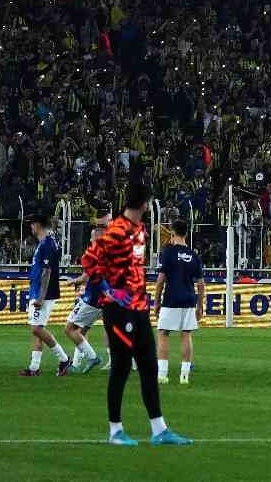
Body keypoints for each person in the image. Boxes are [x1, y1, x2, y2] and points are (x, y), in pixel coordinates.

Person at [81, 183, 191, 446]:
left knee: (149, 368)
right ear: (144, 204)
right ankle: (115, 431)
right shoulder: (116, 230)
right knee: (120, 368)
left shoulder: (139, 230)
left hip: (139, 309)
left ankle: (159, 429)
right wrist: (110, 291)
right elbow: (89, 260)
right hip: (119, 311)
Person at [155, 220, 205, 386]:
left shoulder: (168, 253)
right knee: (186, 334)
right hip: (189, 298)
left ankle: (162, 374)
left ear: (172, 233)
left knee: (163, 333)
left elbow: (161, 281)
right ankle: (184, 375)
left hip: (171, 298)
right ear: (186, 233)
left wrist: (156, 302)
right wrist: (200, 305)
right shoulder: (194, 255)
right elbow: (200, 283)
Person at [23, 211, 72, 377]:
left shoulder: (46, 244)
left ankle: (64, 359)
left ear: (37, 225)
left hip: (43, 292)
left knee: (36, 328)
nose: (31, 227)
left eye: (32, 223)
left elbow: (46, 271)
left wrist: (41, 297)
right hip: (39, 290)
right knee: (37, 328)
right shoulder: (49, 242)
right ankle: (34, 367)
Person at [65, 209, 112, 373]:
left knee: (70, 329)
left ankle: (92, 357)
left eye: (92, 237)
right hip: (102, 300)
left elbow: (91, 276)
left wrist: (75, 281)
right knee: (83, 330)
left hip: (92, 300)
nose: (90, 239)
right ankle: (77, 363)